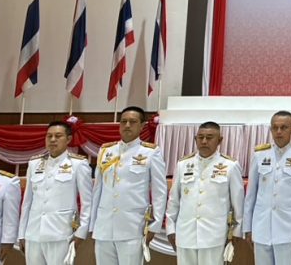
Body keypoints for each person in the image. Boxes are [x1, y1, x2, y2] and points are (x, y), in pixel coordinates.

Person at [91, 106, 167, 265]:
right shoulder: (106, 150)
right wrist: (93, 223)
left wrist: (154, 226)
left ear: (142, 126)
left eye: (132, 122)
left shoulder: (150, 152)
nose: (127, 125)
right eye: (123, 121)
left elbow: (159, 191)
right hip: (104, 227)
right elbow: (97, 189)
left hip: (133, 227)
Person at [243, 110, 291, 265]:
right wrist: (247, 227)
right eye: (275, 127)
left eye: (284, 127)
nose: (279, 131)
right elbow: (251, 194)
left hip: (288, 229)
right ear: (270, 129)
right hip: (261, 227)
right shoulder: (260, 154)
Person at [166, 122, 243, 265]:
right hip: (185, 233)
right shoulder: (183, 164)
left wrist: (237, 230)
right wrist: (170, 229)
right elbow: (174, 200)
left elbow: (238, 202)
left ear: (219, 140)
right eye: (200, 137)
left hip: (214, 236)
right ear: (195, 139)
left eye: (209, 137)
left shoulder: (230, 166)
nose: (204, 141)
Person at [18, 121, 93, 265]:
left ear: (68, 139)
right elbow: (27, 202)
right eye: (49, 136)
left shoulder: (78, 164)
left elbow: (87, 202)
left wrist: (81, 232)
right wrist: (22, 233)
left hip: (61, 233)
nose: (52, 140)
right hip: (33, 232)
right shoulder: (34, 163)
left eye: (58, 136)